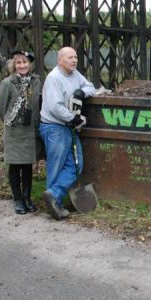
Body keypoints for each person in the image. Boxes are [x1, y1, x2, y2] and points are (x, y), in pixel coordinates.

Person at [39, 46, 96, 220]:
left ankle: (54, 195)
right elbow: (55, 106)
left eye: (76, 57)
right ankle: (55, 205)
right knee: (55, 166)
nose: (74, 60)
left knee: (76, 164)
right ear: (60, 60)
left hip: (68, 127)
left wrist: (81, 92)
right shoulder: (54, 78)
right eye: (70, 57)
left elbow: (91, 87)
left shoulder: (75, 74)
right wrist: (73, 118)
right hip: (54, 127)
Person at [0, 50, 42, 214]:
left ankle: (27, 198)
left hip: (30, 131)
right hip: (15, 131)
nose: (22, 65)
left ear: (29, 65)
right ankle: (18, 200)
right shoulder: (8, 83)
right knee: (15, 165)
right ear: (13, 66)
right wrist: (11, 121)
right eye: (18, 63)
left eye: (25, 62)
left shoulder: (36, 81)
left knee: (27, 165)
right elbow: (0, 108)